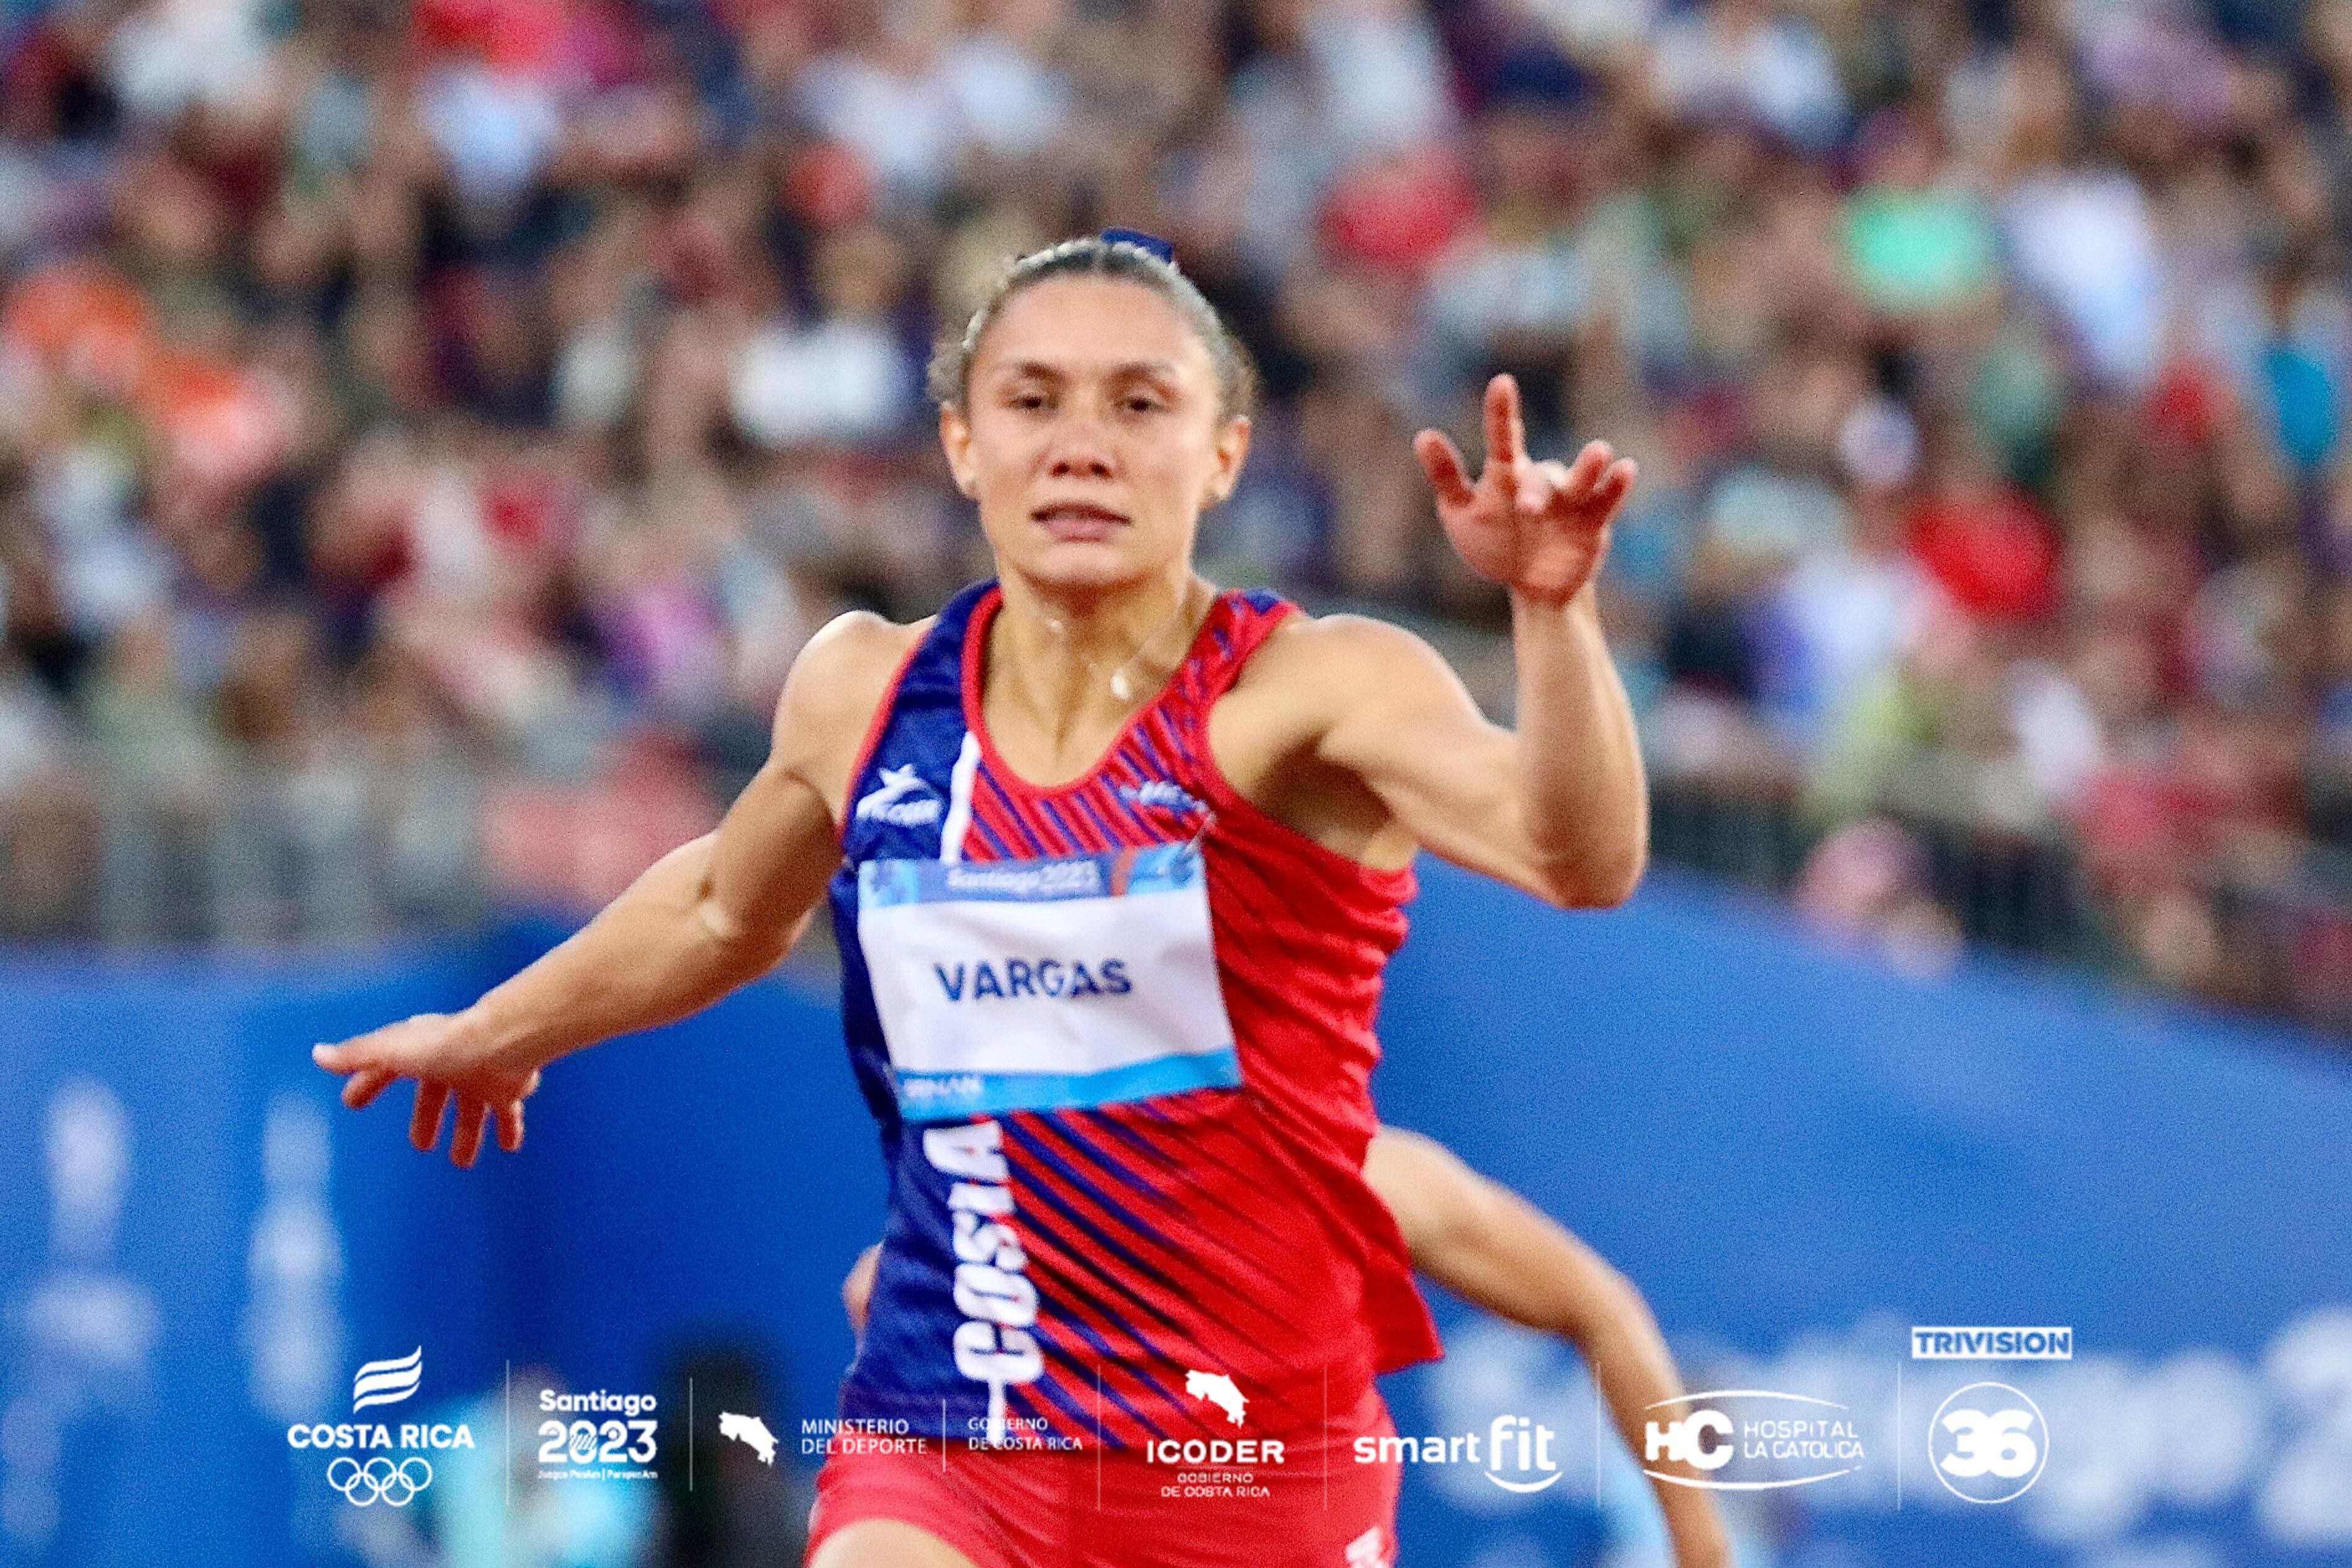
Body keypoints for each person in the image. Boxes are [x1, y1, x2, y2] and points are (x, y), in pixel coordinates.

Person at [312, 234, 1647, 1568]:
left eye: (1138, 403)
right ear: (960, 445)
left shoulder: (1311, 693)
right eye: (1030, 400)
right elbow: (725, 906)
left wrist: (1553, 612)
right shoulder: (868, 693)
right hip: (951, 1430)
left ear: (1223, 451)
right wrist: (502, 1028)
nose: (1080, 444)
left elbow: (1575, 856)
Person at [835, 1126, 1731, 1568]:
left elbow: (1603, 1308)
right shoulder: (1048, 1179)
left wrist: (1704, 1551)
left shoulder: (1371, 1175)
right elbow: (874, 1290)